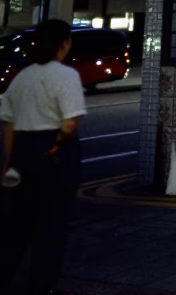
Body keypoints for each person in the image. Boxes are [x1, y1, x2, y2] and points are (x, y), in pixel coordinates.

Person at [0, 20, 86, 295]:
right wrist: (57, 145)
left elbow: (9, 125)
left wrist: (10, 160)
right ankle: (40, 286)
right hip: (54, 152)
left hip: (23, 152)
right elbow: (71, 122)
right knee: (52, 224)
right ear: (64, 44)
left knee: (17, 223)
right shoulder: (66, 76)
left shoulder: (22, 77)